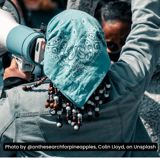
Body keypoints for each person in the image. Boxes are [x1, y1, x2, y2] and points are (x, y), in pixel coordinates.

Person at [0, 0, 160, 157]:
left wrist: (13, 86)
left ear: (51, 55)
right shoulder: (127, 84)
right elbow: (146, 31)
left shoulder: (19, 106)